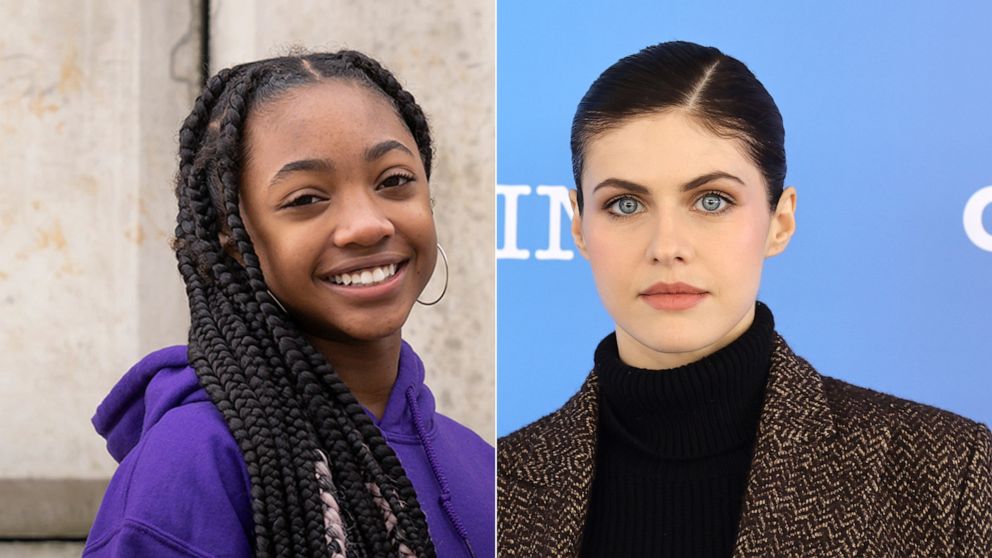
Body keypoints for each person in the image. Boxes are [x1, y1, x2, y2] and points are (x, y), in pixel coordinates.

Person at [497, 41, 992, 557]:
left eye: (712, 201)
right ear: (578, 224)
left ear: (780, 221)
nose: (667, 247)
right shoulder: (497, 487)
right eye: (625, 203)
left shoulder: (946, 473)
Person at [84, 51, 493, 558]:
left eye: (393, 181)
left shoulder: (480, 464)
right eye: (306, 199)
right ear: (235, 238)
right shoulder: (192, 462)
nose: (368, 224)